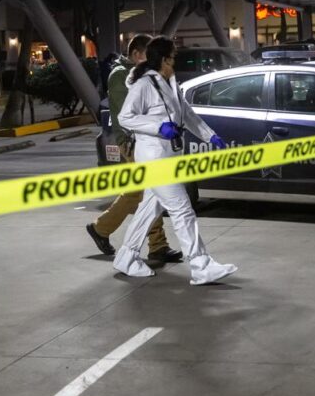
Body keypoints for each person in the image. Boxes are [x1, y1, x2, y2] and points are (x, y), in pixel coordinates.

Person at [114, 36, 237, 285]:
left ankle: (126, 256)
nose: (176, 59)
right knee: (182, 209)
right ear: (163, 59)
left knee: (151, 208)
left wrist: (211, 136)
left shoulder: (170, 82)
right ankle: (200, 265)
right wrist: (158, 127)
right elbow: (125, 117)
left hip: (168, 156)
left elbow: (187, 114)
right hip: (154, 158)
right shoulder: (144, 85)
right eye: (173, 56)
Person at [85, 34, 182, 264]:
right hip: (131, 142)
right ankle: (156, 246)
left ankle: (101, 230)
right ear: (137, 54)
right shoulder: (120, 76)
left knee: (138, 193)